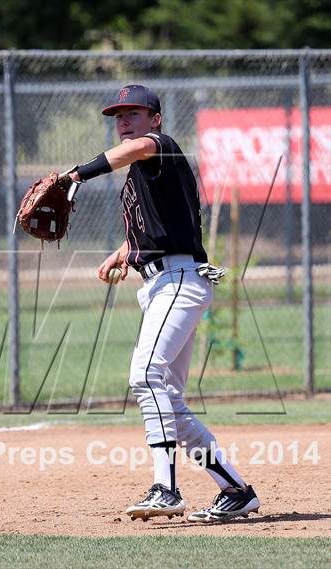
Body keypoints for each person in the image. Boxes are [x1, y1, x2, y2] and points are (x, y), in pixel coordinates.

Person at [68, 84, 260, 523]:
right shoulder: (143, 173)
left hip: (178, 281)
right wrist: (124, 251)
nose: (124, 122)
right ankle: (234, 490)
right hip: (164, 283)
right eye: (118, 115)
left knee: (146, 374)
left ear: (154, 118)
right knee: (166, 397)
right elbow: (160, 226)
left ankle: (165, 489)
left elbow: (133, 149)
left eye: (133, 113)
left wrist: (74, 175)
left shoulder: (159, 148)